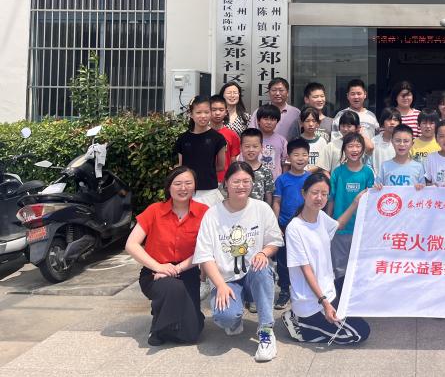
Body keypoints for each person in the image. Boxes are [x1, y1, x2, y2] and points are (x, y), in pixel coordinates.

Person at [193, 162, 284, 362]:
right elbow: (205, 256)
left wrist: (264, 252)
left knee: (262, 268)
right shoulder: (212, 214)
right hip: (227, 279)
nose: (241, 186)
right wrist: (220, 285)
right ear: (226, 183)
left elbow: (275, 241)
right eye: (236, 181)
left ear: (252, 183)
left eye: (246, 181)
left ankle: (266, 331)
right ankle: (234, 320)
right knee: (225, 316)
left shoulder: (261, 208)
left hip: (253, 276)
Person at [280, 173, 371, 345]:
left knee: (354, 284)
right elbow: (306, 270)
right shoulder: (295, 228)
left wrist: (355, 202)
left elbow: (338, 225)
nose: (319, 198)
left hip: (328, 290)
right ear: (304, 193)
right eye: (315, 192)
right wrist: (325, 303)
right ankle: (303, 327)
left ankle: (310, 321)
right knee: (360, 333)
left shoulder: (320, 217)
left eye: (324, 194)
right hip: (312, 302)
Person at [126, 166, 208, 346]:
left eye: (188, 183)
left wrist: (175, 269)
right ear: (169, 187)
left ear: (195, 186)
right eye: (177, 183)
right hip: (154, 273)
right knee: (172, 287)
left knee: (191, 334)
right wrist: (159, 267)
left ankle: (187, 315)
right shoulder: (154, 210)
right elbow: (131, 244)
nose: (183, 188)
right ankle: (158, 327)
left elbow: (204, 250)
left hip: (187, 271)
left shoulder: (204, 212)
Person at [327, 133, 374, 286]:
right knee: (339, 268)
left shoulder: (368, 173)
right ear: (344, 149)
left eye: (358, 146)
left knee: (358, 267)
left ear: (363, 149)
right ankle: (339, 297)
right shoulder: (337, 172)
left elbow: (371, 201)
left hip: (360, 229)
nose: (354, 150)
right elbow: (331, 199)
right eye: (350, 146)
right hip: (339, 228)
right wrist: (328, 223)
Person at [272, 138, 311, 310]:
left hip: (306, 226)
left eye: (304, 154)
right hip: (285, 226)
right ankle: (284, 290)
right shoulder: (282, 179)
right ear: (288, 157)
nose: (300, 158)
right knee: (283, 261)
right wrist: (276, 226)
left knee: (305, 259)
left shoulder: (311, 179)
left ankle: (303, 289)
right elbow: (277, 202)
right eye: (296, 155)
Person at [175, 95, 226, 206]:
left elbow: (221, 166)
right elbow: (180, 166)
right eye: (198, 112)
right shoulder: (182, 139)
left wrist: (205, 170)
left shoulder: (218, 138)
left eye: (206, 112)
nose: (203, 116)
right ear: (191, 114)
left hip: (209, 191)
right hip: (187, 191)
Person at [321, 111, 374, 176]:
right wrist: (332, 182)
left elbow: (370, 147)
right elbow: (325, 171)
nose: (345, 129)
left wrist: (360, 134)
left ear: (357, 127)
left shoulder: (361, 144)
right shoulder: (331, 146)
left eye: (349, 126)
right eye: (343, 126)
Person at [249, 77, 301, 141]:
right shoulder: (259, 111)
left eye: (281, 90)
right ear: (269, 92)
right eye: (274, 90)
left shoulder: (296, 113)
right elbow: (251, 133)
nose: (277, 93)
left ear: (287, 93)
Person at [375, 124, 426, 188]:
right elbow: (376, 187)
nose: (402, 144)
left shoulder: (419, 167)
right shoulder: (384, 166)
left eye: (406, 141)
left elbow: (423, 190)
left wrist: (420, 187)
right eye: (398, 141)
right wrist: (377, 187)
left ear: (412, 143)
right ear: (392, 142)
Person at [238, 128, 274, 204]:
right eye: (247, 146)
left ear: (261, 148)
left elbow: (268, 197)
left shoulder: (266, 172)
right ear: (240, 148)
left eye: (255, 146)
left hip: (259, 210)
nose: (251, 150)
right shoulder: (235, 170)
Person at [210, 94, 241, 183]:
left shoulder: (232, 135)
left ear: (226, 112)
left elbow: (233, 160)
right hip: (206, 178)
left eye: (221, 110)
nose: (217, 113)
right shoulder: (202, 133)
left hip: (225, 180)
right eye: (214, 110)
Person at [255, 104, 288, 181]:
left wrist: (283, 181)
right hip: (255, 181)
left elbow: (285, 164)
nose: (269, 122)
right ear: (258, 121)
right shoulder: (252, 139)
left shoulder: (282, 140)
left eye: (272, 119)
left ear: (277, 121)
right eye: (265, 119)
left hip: (275, 182)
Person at [371, 107, 402, 177]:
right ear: (383, 122)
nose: (392, 122)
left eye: (395, 120)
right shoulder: (374, 141)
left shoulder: (403, 143)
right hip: (378, 182)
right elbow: (369, 164)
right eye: (388, 119)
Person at [298, 107, 329, 173]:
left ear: (318, 123)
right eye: (307, 121)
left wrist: (315, 168)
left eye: (314, 121)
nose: (311, 124)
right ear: (301, 123)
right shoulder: (296, 141)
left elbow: (325, 163)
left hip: (318, 177)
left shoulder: (322, 142)